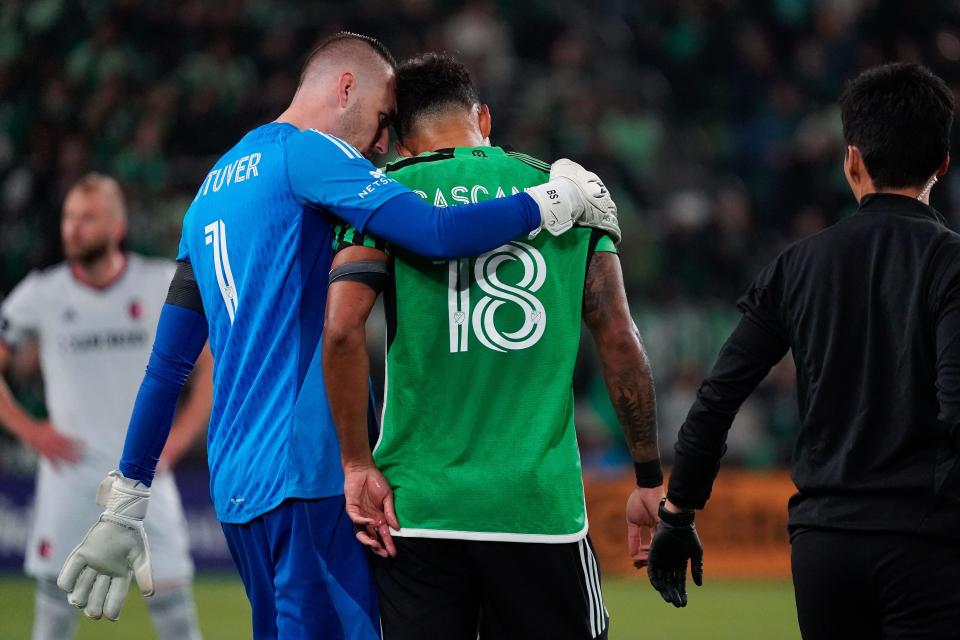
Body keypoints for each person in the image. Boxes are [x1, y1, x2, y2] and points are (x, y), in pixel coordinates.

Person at [55, 32, 621, 639]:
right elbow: (432, 231)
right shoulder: (309, 156)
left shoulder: (209, 192)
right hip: (311, 477)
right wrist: (551, 202)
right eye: (382, 120)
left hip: (240, 488)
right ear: (345, 87)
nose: (382, 144)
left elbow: (167, 365)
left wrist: (128, 495)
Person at [322, 52, 662, 640]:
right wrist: (649, 477)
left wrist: (356, 462)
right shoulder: (567, 190)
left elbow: (341, 329)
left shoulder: (383, 195)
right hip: (536, 510)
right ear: (484, 117)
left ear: (400, 140)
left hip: (419, 509)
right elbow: (619, 338)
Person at [646, 63, 960, 638]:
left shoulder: (797, 266)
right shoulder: (950, 263)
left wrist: (678, 511)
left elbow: (717, 398)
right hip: (927, 544)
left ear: (852, 160)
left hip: (824, 547)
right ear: (942, 164)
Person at [0, 173, 212, 640]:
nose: (74, 228)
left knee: (176, 611)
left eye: (88, 218)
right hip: (69, 476)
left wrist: (178, 439)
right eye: (69, 218)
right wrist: (29, 430)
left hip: (145, 477)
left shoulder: (159, 282)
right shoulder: (42, 292)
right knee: (53, 616)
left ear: (117, 226)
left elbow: (210, 368)